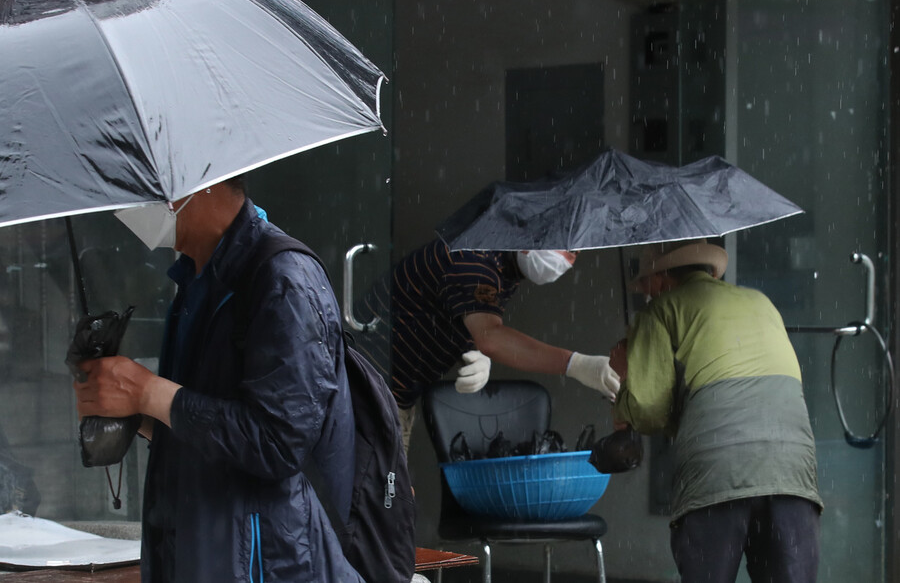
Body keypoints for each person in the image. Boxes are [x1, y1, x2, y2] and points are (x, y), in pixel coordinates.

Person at [72, 177, 364, 582]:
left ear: (200, 182)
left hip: (265, 562)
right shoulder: (195, 279)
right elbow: (209, 431)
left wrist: (150, 393)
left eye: (143, 183)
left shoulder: (283, 280)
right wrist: (130, 407)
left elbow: (279, 443)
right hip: (194, 549)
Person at [610, 238, 823, 583]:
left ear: (662, 281)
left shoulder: (661, 310)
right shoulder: (761, 302)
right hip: (791, 467)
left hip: (716, 467)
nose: (648, 296)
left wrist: (624, 380)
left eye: (648, 288)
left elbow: (650, 411)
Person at [360, 238, 621, 452]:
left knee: (388, 501)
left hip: (393, 395)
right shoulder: (474, 258)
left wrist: (473, 349)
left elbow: (461, 316)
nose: (565, 257)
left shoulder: (502, 263)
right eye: (560, 243)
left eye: (573, 249)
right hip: (364, 390)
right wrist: (575, 364)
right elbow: (491, 338)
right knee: (376, 502)